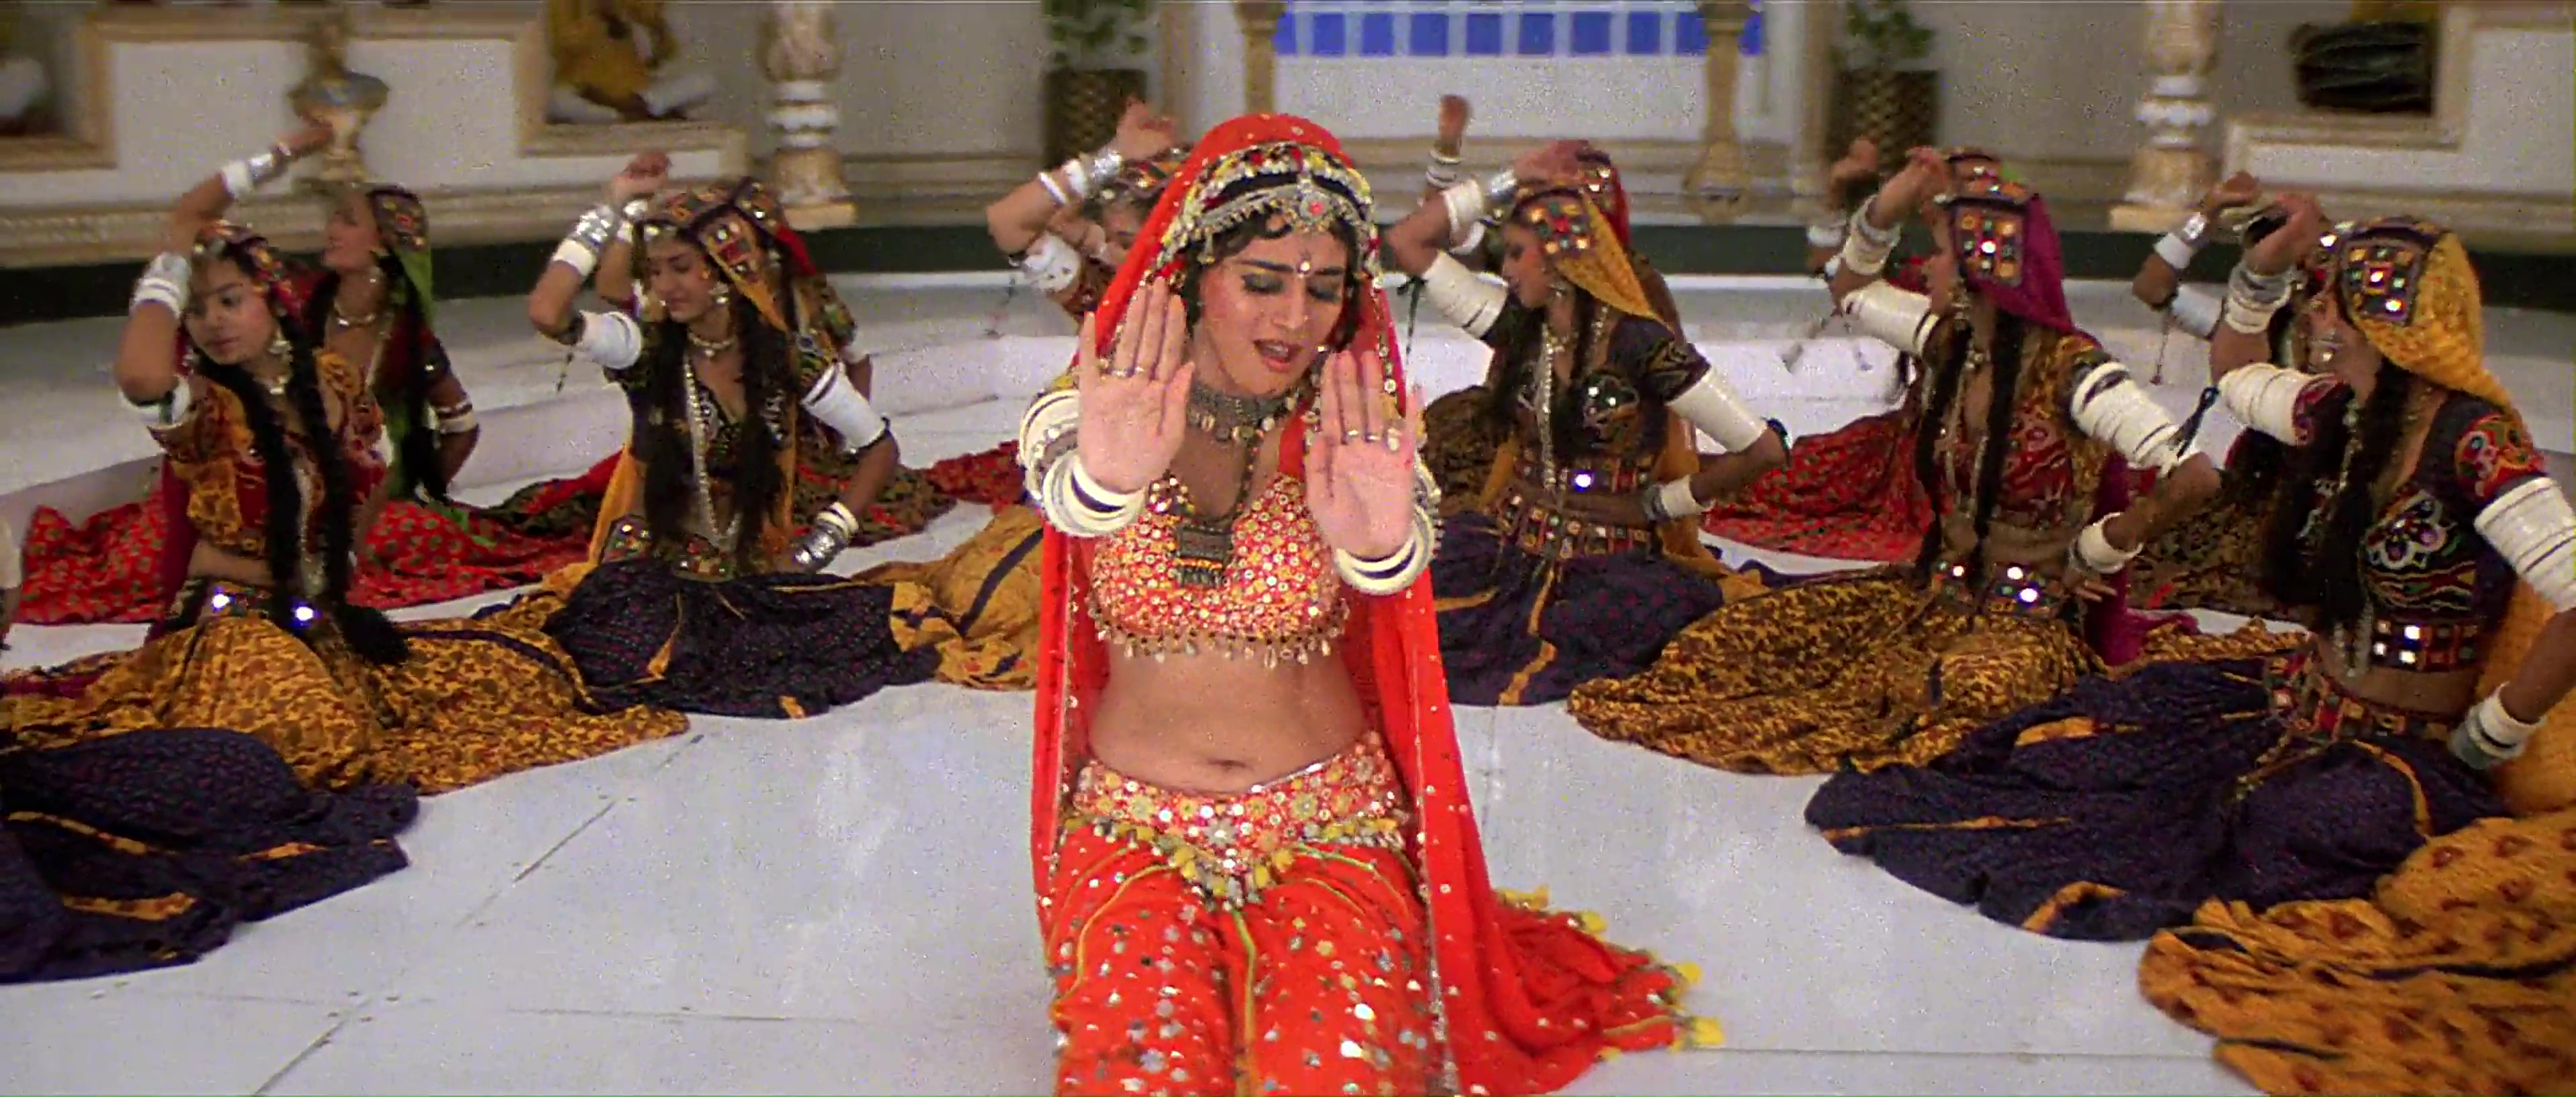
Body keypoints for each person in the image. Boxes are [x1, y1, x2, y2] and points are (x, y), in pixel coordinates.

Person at [1020, 113, 1714, 1094]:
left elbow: (1403, 557)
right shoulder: (1103, 397)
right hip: (1132, 831)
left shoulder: (1353, 424)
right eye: (1263, 281)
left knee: (1341, 1072)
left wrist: (1381, 544)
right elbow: (1061, 491)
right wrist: (1108, 477)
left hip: (1331, 826)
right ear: (1196, 272)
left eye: (1324, 287)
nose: (1294, 317)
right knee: (1141, 1075)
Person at [1803, 205, 2576, 940]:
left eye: (2332, 303)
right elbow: (2237, 368)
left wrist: (2493, 733)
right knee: (2084, 733)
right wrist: (2258, 273)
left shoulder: (2476, 445)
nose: (2314, 315)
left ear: (2387, 321)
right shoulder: (2336, 411)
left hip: (2408, 754)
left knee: (2286, 827)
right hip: (2297, 704)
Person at [1567, 148, 2242, 774]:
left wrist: (2098, 550)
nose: (1929, 268)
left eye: (1943, 256)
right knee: (1724, 642)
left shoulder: (2075, 373)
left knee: (1960, 690)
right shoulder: (1951, 342)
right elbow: (1850, 283)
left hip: (2028, 623)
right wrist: (1892, 199)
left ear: (1983, 272)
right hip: (1929, 598)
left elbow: (2196, 475)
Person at [4, 199, 683, 794]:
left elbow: (374, 471)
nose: (213, 322)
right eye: (197, 309)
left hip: (317, 621)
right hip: (232, 629)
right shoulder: (206, 409)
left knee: (513, 678)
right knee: (317, 742)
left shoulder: (332, 380)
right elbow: (141, 375)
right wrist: (167, 268)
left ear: (273, 298)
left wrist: (345, 563)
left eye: (230, 300)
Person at [1386, 140, 1786, 706]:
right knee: (1396, 606)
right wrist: (1513, 176)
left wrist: (1659, 505)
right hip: (1507, 546)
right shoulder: (1521, 329)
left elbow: (1764, 449)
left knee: (1603, 630)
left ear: (1558, 262)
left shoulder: (1640, 344)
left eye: (1517, 254)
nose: (1505, 270)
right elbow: (1408, 241)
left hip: (1607, 565)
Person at [523, 175, 937, 717]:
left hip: (749, 575)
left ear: (725, 271)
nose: (664, 286)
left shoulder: (787, 357)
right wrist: (610, 209)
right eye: (655, 271)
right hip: (645, 579)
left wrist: (818, 547)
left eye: (679, 268)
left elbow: (879, 448)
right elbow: (548, 313)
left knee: (871, 626)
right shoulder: (645, 349)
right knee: (638, 657)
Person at [1698, 137, 1943, 563]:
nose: (1935, 265)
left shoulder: (1958, 333)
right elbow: (1843, 279)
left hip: (1940, 486)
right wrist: (1870, 208)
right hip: (1905, 454)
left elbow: (1852, 286)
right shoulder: (1936, 314)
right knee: (1772, 478)